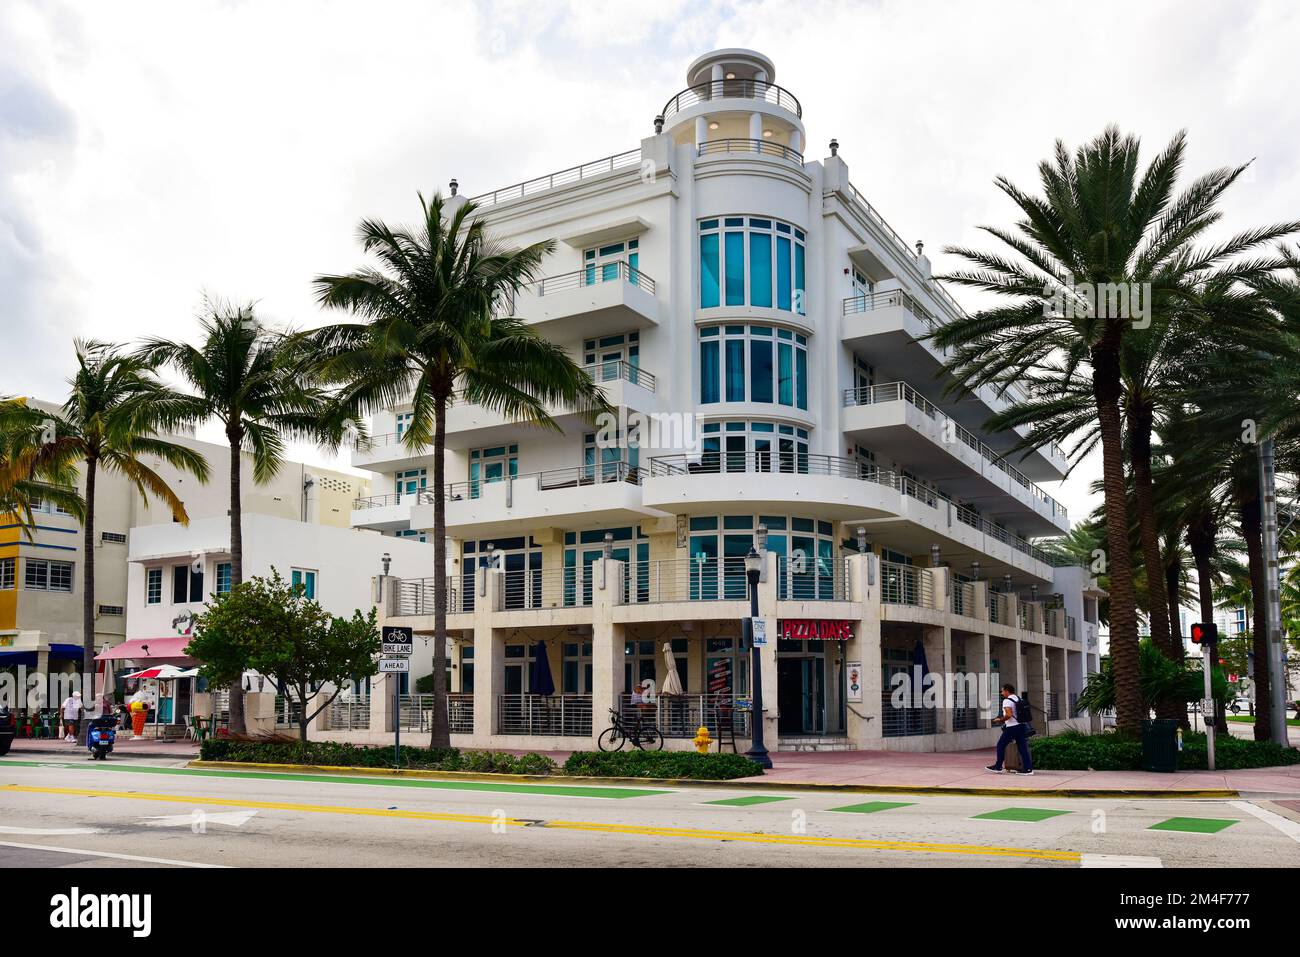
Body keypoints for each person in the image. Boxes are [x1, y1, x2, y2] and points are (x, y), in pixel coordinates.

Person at [986, 683, 1033, 775]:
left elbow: (1008, 715)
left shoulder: (1007, 701)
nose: (1002, 693)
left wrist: (1000, 720)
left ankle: (998, 766)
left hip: (1012, 727)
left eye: (1002, 691)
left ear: (1007, 691)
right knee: (1022, 748)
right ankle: (1028, 769)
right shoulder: (1017, 698)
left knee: (1000, 745)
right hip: (1021, 726)